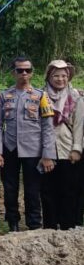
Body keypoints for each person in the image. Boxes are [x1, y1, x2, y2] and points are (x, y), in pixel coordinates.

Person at [0, 56, 56, 232]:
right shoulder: (5, 96)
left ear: (32, 73)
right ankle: (13, 223)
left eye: (28, 70)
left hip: (33, 149)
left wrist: (48, 154)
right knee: (10, 188)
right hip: (10, 148)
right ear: (14, 72)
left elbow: (47, 127)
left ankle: (34, 225)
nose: (24, 73)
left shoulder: (41, 96)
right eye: (20, 70)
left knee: (33, 190)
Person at [40, 60, 83, 230]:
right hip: (46, 151)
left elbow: (79, 125)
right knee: (48, 190)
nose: (60, 79)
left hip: (68, 149)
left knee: (69, 189)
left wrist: (77, 149)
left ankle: (68, 226)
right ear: (48, 77)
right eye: (56, 75)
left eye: (64, 76)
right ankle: (50, 227)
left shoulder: (76, 97)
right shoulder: (40, 95)